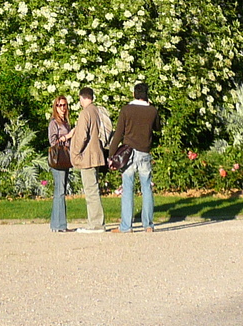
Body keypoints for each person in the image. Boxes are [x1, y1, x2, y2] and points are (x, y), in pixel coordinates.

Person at [110, 81, 162, 232]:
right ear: (146, 95)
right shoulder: (152, 111)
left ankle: (126, 226)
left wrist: (111, 154)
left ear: (134, 94)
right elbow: (158, 128)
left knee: (128, 188)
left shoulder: (126, 110)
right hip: (144, 152)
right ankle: (148, 225)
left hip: (129, 153)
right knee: (147, 188)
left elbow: (119, 133)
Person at [68, 86, 111, 233]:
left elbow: (82, 136)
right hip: (97, 154)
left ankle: (96, 224)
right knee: (94, 189)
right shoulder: (97, 111)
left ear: (82, 98)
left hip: (87, 157)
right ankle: (96, 222)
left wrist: (75, 153)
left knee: (91, 191)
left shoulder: (85, 113)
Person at [47, 95, 73, 232]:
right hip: (58, 158)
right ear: (55, 107)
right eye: (59, 105)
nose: (62, 108)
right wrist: (67, 137)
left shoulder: (66, 123)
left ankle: (56, 224)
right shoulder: (54, 123)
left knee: (60, 190)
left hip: (66, 159)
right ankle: (60, 224)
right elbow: (53, 143)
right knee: (60, 191)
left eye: (64, 105)